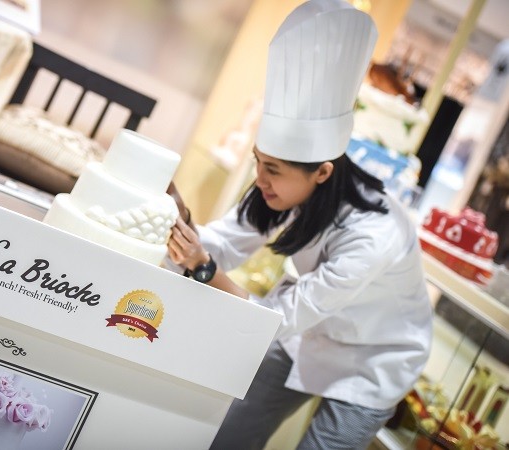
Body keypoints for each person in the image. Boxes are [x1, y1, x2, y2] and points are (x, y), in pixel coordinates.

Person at [166, 1, 433, 449]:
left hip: (374, 361)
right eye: (258, 162)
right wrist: (177, 222)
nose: (260, 179)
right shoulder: (281, 189)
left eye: (273, 169)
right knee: (226, 436)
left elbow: (278, 317)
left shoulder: (374, 235)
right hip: (307, 334)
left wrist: (204, 268)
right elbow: (222, 242)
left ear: (322, 172)